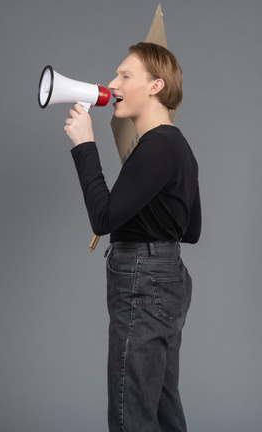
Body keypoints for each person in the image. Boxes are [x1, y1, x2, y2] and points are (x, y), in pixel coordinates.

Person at [64, 42, 201, 432]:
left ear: (156, 85)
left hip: (142, 279)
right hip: (168, 276)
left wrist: (84, 145)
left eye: (125, 75)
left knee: (132, 415)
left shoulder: (155, 145)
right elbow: (191, 230)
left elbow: (103, 217)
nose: (112, 82)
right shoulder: (178, 146)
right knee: (161, 406)